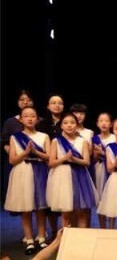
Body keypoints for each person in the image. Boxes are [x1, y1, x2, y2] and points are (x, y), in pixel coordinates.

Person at [4, 107, 50, 254]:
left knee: (41, 208)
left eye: (32, 116)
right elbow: (12, 160)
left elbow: (49, 157)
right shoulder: (15, 137)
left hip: (40, 172)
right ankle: (29, 240)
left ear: (37, 118)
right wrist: (25, 153)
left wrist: (36, 152)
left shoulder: (44, 136)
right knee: (26, 209)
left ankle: (41, 238)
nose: (29, 118)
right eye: (26, 116)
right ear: (21, 119)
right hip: (23, 172)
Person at [46, 113, 98, 228]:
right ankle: (66, 236)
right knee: (66, 211)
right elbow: (51, 163)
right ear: (61, 126)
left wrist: (74, 159)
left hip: (80, 176)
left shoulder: (83, 141)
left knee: (81, 211)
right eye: (65, 123)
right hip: (62, 176)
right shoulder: (56, 141)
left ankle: (81, 236)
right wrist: (64, 158)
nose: (69, 125)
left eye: (72, 123)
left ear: (77, 125)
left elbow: (87, 162)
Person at [36, 94, 65, 237]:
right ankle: (54, 230)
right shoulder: (41, 124)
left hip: (64, 164)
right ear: (48, 106)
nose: (57, 105)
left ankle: (66, 230)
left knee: (64, 198)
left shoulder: (67, 121)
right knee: (50, 199)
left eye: (60, 103)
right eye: (53, 103)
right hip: (46, 165)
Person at [91, 112, 116, 229]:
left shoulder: (114, 137)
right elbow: (94, 159)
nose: (104, 123)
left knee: (112, 197)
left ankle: (111, 227)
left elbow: (116, 156)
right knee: (100, 198)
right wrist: (97, 153)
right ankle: (102, 227)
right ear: (97, 123)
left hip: (112, 169)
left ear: (111, 124)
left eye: (106, 121)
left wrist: (103, 153)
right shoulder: (95, 139)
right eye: (101, 121)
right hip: (100, 169)